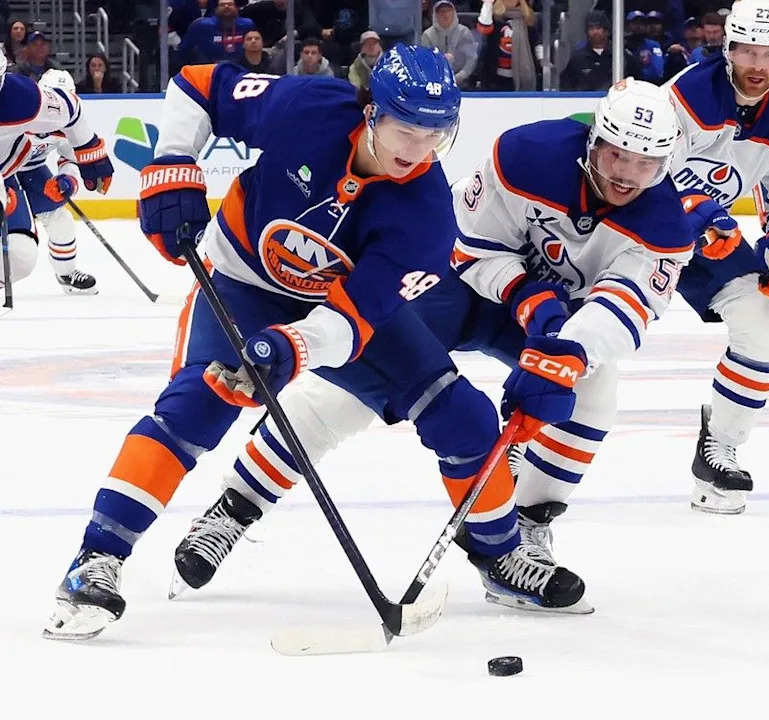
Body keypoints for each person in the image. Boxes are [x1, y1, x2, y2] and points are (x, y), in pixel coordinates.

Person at [41, 46, 563, 642]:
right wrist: (172, 164)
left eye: (434, 135)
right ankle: (95, 561)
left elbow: (351, 321)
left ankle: (500, 555)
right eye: (406, 129)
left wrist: (294, 346)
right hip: (241, 282)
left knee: (463, 417)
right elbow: (199, 84)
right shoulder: (306, 106)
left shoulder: (426, 218)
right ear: (371, 111)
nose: (418, 150)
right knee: (194, 406)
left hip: (337, 311)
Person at [167, 78, 694, 613]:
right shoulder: (527, 154)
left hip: (545, 322)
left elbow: (622, 308)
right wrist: (529, 298)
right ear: (593, 141)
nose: (626, 173)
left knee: (591, 387)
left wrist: (564, 355)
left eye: (646, 163)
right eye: (616, 154)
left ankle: (520, 535)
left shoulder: (666, 226)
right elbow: (467, 246)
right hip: (449, 286)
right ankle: (235, 506)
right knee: (345, 394)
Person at [661, 0, 769, 514]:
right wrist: (698, 211)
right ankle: (525, 441)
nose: (758, 64)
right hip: (629, 232)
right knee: (581, 335)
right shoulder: (685, 95)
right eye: (748, 50)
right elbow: (640, 177)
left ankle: (720, 447)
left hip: (710, 238)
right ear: (727, 49)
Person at [0, 57, 114, 292]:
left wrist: (67, 180)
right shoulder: (24, 111)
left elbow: (71, 158)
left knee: (60, 221)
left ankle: (67, 273)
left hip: (33, 172)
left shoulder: (58, 122)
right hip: (8, 173)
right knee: (18, 242)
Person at [419, 0, 478, 88]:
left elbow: (471, 59)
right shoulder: (427, 35)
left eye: (448, 11)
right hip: (435, 83)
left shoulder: (464, 32)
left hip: (463, 83)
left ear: (454, 13)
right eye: (441, 11)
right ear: (435, 15)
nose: (445, 14)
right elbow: (424, 61)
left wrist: (460, 77)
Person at [178, 0, 254, 66]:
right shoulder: (202, 25)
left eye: (230, 4)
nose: (226, 6)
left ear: (236, 8)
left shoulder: (247, 24)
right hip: (208, 70)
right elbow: (184, 50)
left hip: (240, 69)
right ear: (216, 8)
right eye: (222, 4)